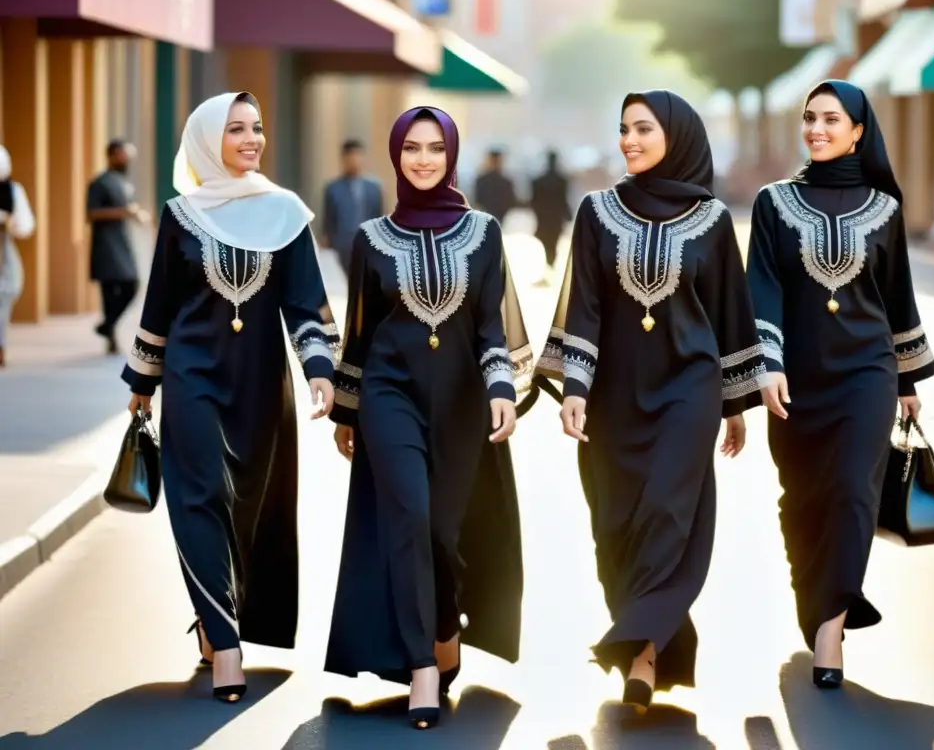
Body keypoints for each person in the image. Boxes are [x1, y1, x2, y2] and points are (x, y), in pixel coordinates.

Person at [533, 90, 766, 713]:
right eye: (623, 129)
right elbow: (581, 301)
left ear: (678, 135)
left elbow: (729, 315)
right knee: (614, 526)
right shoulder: (595, 212)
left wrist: (734, 402)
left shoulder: (712, 220)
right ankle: (643, 633)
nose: (629, 140)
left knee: (666, 511)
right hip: (612, 394)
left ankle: (640, 654)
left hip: (688, 389)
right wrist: (574, 387)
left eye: (643, 128)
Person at [122, 92, 338, 703]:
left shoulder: (286, 213)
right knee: (200, 496)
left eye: (258, 128)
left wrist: (320, 369)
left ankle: (217, 614)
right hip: (191, 377)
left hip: (261, 383)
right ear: (206, 140)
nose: (252, 139)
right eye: (236, 129)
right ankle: (227, 642)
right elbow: (160, 305)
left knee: (248, 504)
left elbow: (304, 301)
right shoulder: (181, 215)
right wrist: (143, 383)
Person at [324, 106, 533, 731]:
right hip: (390, 396)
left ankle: (446, 622)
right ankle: (420, 667)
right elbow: (359, 339)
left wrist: (501, 386)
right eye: (411, 148)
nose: (422, 159)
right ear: (395, 156)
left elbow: (491, 325)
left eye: (434, 148)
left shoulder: (485, 233)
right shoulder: (369, 239)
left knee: (444, 530)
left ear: (451, 155)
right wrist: (347, 411)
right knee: (410, 516)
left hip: (465, 401)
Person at [746, 79, 934, 690]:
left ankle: (831, 633)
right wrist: (768, 363)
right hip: (797, 377)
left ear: (858, 130)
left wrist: (907, 375)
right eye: (810, 118)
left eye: (832, 118)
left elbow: (898, 296)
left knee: (855, 490)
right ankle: (816, 599)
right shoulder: (773, 204)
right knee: (801, 501)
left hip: (866, 372)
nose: (817, 129)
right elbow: (763, 290)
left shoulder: (885, 207)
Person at [87, 139, 149, 354]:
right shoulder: (100, 182)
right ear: (112, 155)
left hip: (122, 243)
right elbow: (91, 213)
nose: (127, 159)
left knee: (132, 285)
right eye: (123, 154)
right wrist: (124, 212)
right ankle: (110, 337)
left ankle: (107, 325)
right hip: (105, 245)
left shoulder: (123, 181)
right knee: (109, 293)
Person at [321, 138, 384, 279]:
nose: (355, 161)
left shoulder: (374, 188)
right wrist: (327, 242)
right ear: (344, 159)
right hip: (342, 247)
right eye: (351, 157)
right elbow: (328, 220)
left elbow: (379, 217)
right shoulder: (333, 189)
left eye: (358, 156)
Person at [0, 145, 37, 368]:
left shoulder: (12, 191)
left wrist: (8, 221)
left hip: (3, 252)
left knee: (6, 294)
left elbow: (24, 226)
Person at [530, 149, 572, 279]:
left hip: (543, 218)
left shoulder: (538, 181)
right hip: (556, 218)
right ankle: (550, 265)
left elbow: (534, 201)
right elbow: (564, 199)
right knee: (554, 242)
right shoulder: (562, 180)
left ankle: (549, 266)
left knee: (546, 242)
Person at [472, 148, 518, 225]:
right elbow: (512, 201)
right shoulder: (506, 181)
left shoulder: (481, 180)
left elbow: (477, 200)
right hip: (498, 216)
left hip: (486, 217)